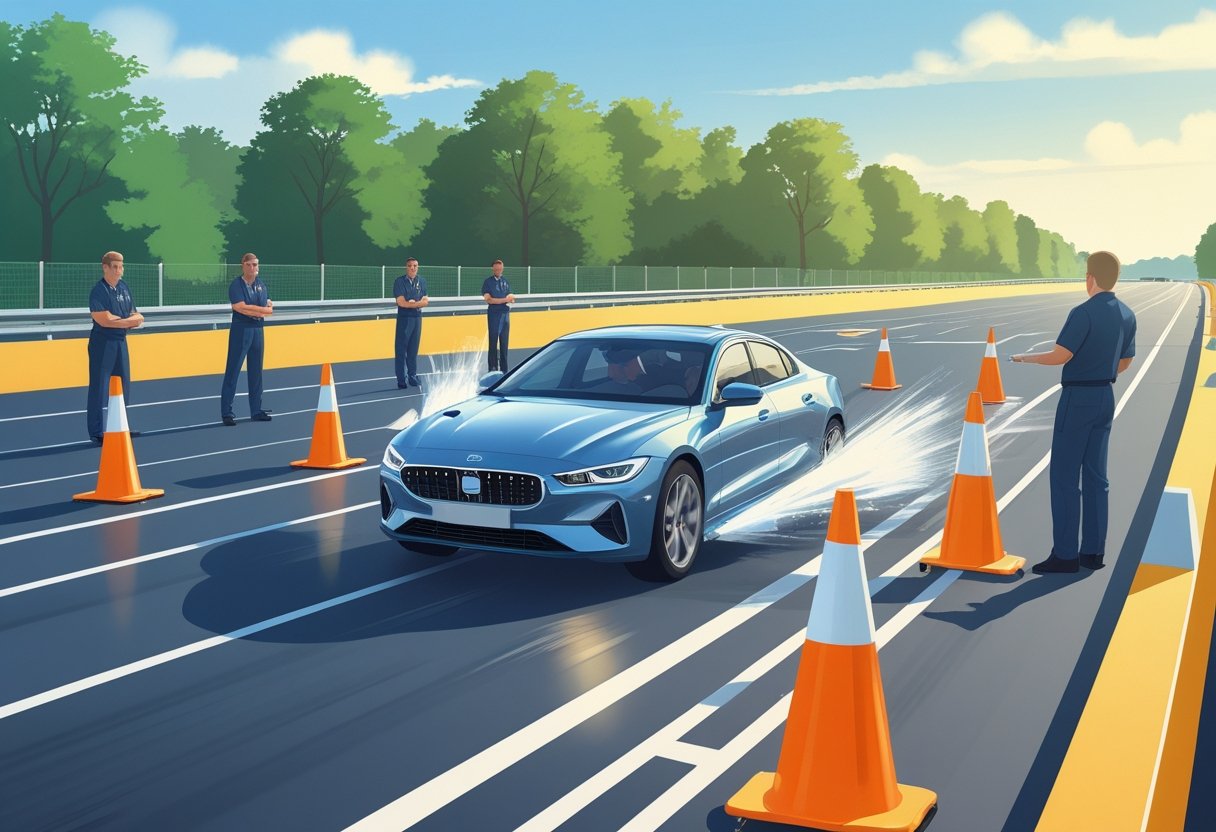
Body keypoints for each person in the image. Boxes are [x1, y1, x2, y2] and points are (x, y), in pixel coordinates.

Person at [1010, 251, 1137, 574]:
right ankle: (1093, 552)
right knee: (1097, 476)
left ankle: (1065, 554)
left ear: (1090, 278)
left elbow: (1060, 356)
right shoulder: (1126, 314)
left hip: (1078, 397)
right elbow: (1125, 361)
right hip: (1105, 395)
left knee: (1065, 476)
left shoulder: (1082, 313)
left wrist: (1026, 358)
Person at [86, 251, 144, 443]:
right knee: (99, 387)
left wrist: (123, 321)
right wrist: (127, 322)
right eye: (115, 267)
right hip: (103, 344)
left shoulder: (124, 288)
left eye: (121, 267)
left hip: (120, 341)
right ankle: (96, 431)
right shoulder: (98, 291)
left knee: (123, 386)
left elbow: (138, 315)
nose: (119, 271)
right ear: (105, 267)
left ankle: (120, 426)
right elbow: (104, 319)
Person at [220, 252, 273, 426]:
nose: (253, 268)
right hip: (241, 329)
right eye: (249, 265)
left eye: (255, 264)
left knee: (256, 371)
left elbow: (262, 309)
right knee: (233, 370)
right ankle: (227, 412)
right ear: (243, 265)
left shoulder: (261, 286)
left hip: (257, 329)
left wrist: (258, 310)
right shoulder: (236, 285)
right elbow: (240, 307)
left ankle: (256, 410)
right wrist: (262, 310)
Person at [393, 257, 428, 389]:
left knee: (413, 349)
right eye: (410, 266)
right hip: (405, 319)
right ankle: (401, 379)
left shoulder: (422, 282)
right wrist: (414, 304)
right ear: (406, 267)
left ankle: (412, 376)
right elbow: (401, 302)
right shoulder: (399, 282)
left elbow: (426, 301)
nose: (413, 268)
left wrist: (414, 303)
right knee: (401, 350)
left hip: (417, 318)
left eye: (415, 266)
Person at [482, 259, 514, 372]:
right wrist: (505, 300)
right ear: (493, 269)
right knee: (493, 342)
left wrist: (511, 297)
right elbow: (489, 299)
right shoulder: (488, 282)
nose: (498, 271)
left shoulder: (505, 281)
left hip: (505, 315)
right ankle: (493, 369)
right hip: (494, 315)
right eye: (496, 269)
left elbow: (510, 294)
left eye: (500, 269)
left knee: (504, 344)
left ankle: (504, 370)